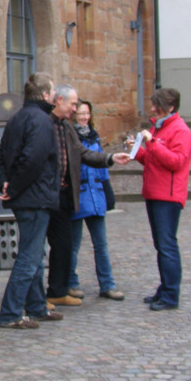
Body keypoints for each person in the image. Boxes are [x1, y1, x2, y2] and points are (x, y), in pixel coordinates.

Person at [44, 84, 129, 307]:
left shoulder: (70, 128)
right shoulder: (48, 124)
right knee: (63, 246)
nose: (78, 112)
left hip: (82, 196)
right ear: (59, 101)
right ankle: (59, 288)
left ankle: (70, 289)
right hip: (63, 196)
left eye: (83, 111)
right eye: (75, 107)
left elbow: (85, 155)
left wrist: (110, 159)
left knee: (82, 244)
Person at [0, 73, 64, 329]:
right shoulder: (41, 120)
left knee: (34, 254)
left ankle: (36, 306)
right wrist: (13, 187)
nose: (55, 95)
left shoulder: (18, 118)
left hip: (27, 196)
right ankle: (10, 313)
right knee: (29, 257)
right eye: (53, 91)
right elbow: (32, 160)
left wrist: (6, 181)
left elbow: (1, 154)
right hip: (34, 197)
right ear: (45, 95)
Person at [131, 88, 191, 311]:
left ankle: (170, 295)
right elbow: (153, 160)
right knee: (161, 245)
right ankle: (165, 288)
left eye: (157, 106)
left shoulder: (180, 130)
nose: (153, 109)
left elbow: (176, 162)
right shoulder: (159, 127)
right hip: (155, 192)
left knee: (167, 246)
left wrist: (153, 144)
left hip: (168, 196)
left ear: (170, 107)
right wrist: (137, 150)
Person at [67, 100, 124, 301]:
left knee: (101, 244)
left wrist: (107, 191)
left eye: (87, 113)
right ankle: (71, 283)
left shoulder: (93, 136)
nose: (84, 117)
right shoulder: (70, 136)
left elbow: (101, 167)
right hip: (79, 196)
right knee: (73, 245)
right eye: (81, 113)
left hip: (95, 195)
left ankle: (107, 284)